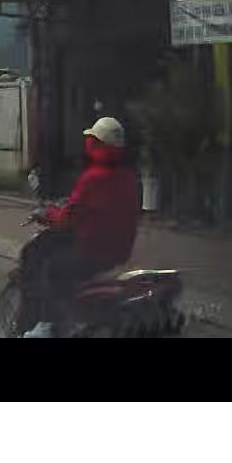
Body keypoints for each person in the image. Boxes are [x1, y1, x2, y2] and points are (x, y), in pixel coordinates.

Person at [23, 116, 139, 338]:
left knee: (51, 268)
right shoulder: (129, 178)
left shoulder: (93, 178)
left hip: (89, 251)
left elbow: (67, 218)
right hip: (119, 252)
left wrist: (47, 214)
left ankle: (47, 325)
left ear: (97, 144)